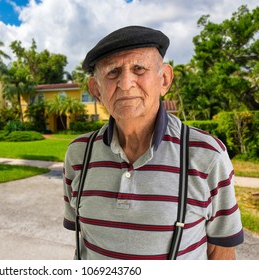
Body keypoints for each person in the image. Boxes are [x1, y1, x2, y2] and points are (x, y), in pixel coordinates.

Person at [62, 26, 244, 260]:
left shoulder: (207, 154)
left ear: (165, 79)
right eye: (113, 72)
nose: (125, 83)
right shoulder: (78, 155)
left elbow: (222, 251)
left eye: (139, 68)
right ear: (96, 89)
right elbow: (83, 241)